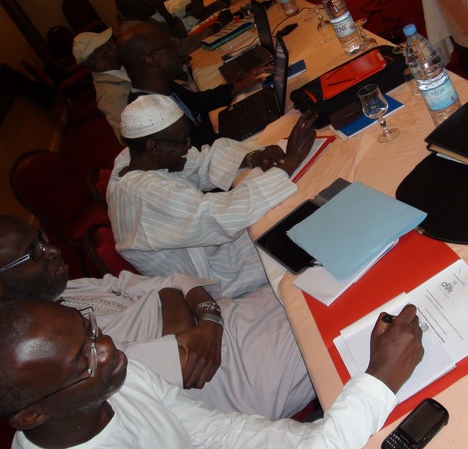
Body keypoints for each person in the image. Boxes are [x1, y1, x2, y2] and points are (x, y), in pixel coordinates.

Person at [0, 215, 316, 419]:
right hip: (247, 373)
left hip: (237, 318)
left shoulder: (66, 289)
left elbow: (172, 282)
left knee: (317, 246)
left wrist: (203, 318)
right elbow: (185, 360)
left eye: (41, 237)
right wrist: (181, 305)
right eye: (33, 252)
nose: (51, 250)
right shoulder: (43, 357)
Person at [0, 300, 424, 449]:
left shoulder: (108, 378)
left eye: (90, 328)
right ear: (31, 415)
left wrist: (315, 437)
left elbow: (213, 430)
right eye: (82, 359)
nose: (107, 348)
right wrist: (377, 381)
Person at [107, 94, 317, 297]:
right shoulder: (144, 196)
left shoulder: (132, 159)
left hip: (212, 246)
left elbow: (198, 163)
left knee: (297, 202)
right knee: (305, 224)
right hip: (215, 277)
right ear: (154, 146)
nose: (188, 147)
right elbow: (219, 215)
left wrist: (251, 157)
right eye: (183, 141)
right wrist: (289, 164)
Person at [118, 21, 270, 148]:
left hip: (215, 147)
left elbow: (196, 102)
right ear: (151, 59)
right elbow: (196, 155)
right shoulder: (150, 116)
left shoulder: (162, 86)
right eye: (170, 46)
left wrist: (240, 86)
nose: (177, 51)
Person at [72, 29, 130, 143]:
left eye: (112, 42)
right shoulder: (109, 96)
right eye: (108, 48)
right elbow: (126, 137)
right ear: (97, 63)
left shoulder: (121, 65)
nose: (115, 47)